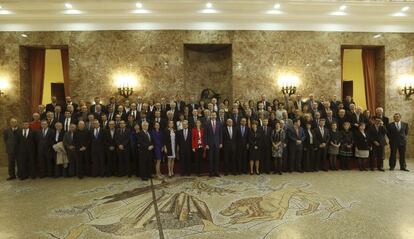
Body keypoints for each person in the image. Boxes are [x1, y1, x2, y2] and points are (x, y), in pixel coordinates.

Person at [204, 112, 223, 177]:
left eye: (214, 115)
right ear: (210, 116)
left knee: (217, 158)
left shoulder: (219, 123)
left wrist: (221, 143)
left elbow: (220, 134)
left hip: (217, 143)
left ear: (216, 116)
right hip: (210, 144)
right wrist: (206, 144)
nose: (213, 116)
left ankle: (217, 172)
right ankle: (211, 172)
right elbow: (205, 135)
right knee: (211, 158)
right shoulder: (207, 123)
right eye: (212, 115)